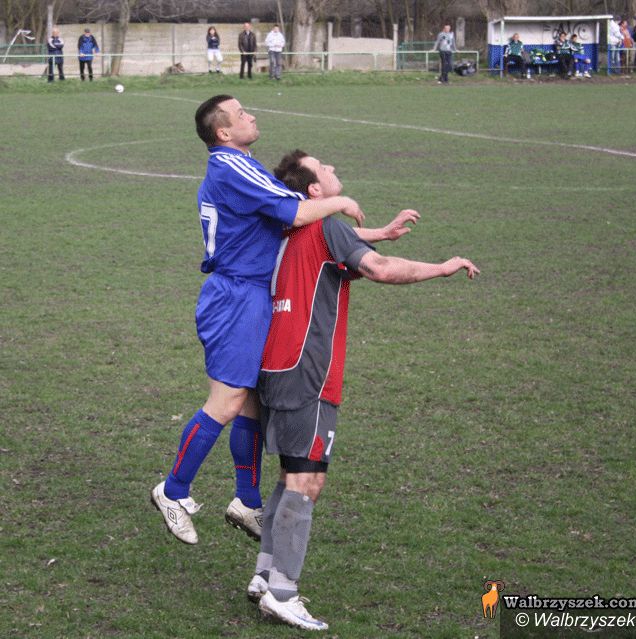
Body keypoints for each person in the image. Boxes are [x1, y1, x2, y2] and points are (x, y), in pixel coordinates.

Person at [247, 150, 480, 631]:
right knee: (306, 483)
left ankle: (265, 575)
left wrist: (380, 233)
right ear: (314, 191)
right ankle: (283, 593)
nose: (334, 169)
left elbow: (342, 249)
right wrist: (442, 267)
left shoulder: (290, 229)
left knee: (291, 476)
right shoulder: (326, 224)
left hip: (275, 368)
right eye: (324, 169)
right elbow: (380, 269)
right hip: (308, 374)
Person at [150, 96, 366, 546]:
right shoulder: (231, 166)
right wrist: (341, 201)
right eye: (241, 113)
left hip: (253, 294)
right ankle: (172, 491)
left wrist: (369, 236)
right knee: (227, 402)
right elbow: (297, 213)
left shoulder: (244, 166)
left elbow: (295, 227)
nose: (251, 115)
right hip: (235, 297)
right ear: (224, 133)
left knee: (250, 403)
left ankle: (246, 500)